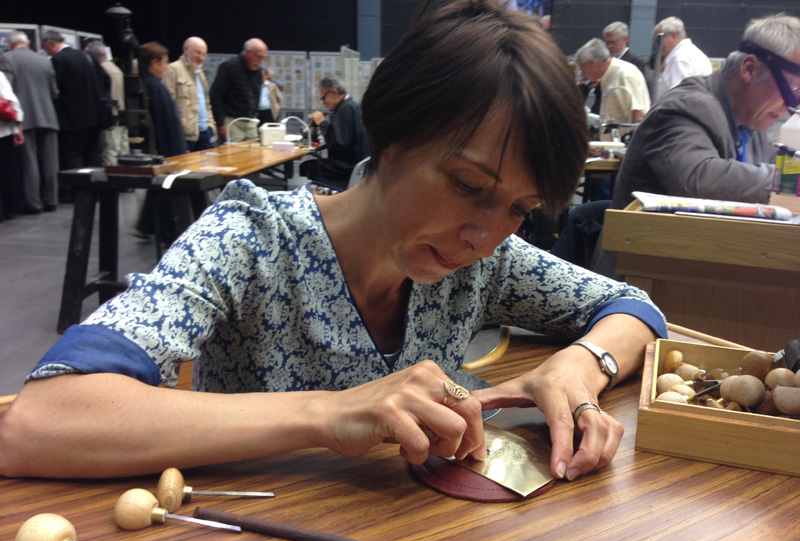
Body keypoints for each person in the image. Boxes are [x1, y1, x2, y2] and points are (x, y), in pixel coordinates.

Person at [0, 0, 666, 483]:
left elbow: (636, 308)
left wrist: (577, 368)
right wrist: (327, 413)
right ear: (390, 134)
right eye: (468, 185)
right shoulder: (253, 239)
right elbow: (41, 419)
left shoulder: (482, 262)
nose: (486, 237)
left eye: (520, 208)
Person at [592, 13, 800, 280]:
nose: (791, 108)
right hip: (644, 280)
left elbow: (769, 171)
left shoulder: (753, 122)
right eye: (793, 92)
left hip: (704, 272)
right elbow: (698, 178)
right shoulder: (685, 107)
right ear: (749, 69)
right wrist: (790, 181)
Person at [42, 30, 108, 202]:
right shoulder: (87, 56)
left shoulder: (59, 60)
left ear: (51, 43)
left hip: (72, 118)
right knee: (94, 153)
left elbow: (55, 90)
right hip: (95, 116)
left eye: (45, 48)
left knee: (74, 154)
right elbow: (105, 79)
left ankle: (80, 192)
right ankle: (98, 189)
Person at [133, 42, 188, 241]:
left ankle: (145, 225)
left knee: (159, 189)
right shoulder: (154, 87)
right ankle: (167, 233)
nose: (166, 67)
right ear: (154, 62)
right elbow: (166, 125)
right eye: (164, 62)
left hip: (165, 148)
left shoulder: (150, 85)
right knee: (165, 189)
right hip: (167, 150)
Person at [0, 30, 60, 214]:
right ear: (27, 42)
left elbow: (5, 92)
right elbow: (54, 92)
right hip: (48, 116)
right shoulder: (44, 60)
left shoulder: (6, 58)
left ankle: (34, 204)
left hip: (25, 118)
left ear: (10, 44)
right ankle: (51, 200)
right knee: (51, 162)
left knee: (29, 163)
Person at [300, 76, 369, 190]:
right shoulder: (353, 105)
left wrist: (322, 123)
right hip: (359, 163)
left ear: (334, 92)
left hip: (349, 167)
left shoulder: (345, 109)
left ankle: (328, 196)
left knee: (308, 166)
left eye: (323, 98)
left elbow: (339, 144)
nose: (324, 103)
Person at [162, 36, 217, 152]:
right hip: (185, 135)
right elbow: (168, 102)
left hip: (204, 132)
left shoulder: (200, 74)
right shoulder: (172, 69)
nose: (201, 58)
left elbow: (207, 103)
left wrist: (211, 127)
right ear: (186, 49)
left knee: (205, 169)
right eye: (197, 53)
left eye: (203, 54)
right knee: (185, 169)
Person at [576, 38, 650, 125]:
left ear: (592, 63)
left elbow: (638, 115)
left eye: (582, 68)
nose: (583, 74)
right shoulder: (609, 75)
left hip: (625, 137)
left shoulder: (623, 73)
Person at [209, 38, 266, 143]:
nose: (261, 61)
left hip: (251, 122)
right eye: (258, 57)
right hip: (232, 121)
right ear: (248, 52)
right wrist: (221, 124)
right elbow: (215, 96)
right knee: (234, 156)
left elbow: (255, 98)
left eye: (263, 58)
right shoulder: (229, 67)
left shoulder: (258, 72)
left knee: (253, 156)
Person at [85, 41, 129, 166]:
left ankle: (113, 183)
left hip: (111, 118)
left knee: (110, 151)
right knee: (122, 152)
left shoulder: (102, 69)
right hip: (121, 115)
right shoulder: (115, 68)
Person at [653, 17, 712, 99]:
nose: (657, 45)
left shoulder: (679, 58)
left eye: (659, 40)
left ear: (673, 35)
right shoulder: (698, 54)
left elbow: (678, 99)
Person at [0, 71, 24, 222]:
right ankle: (8, 209)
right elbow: (11, 100)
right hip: (3, 131)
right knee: (6, 171)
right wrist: (18, 128)